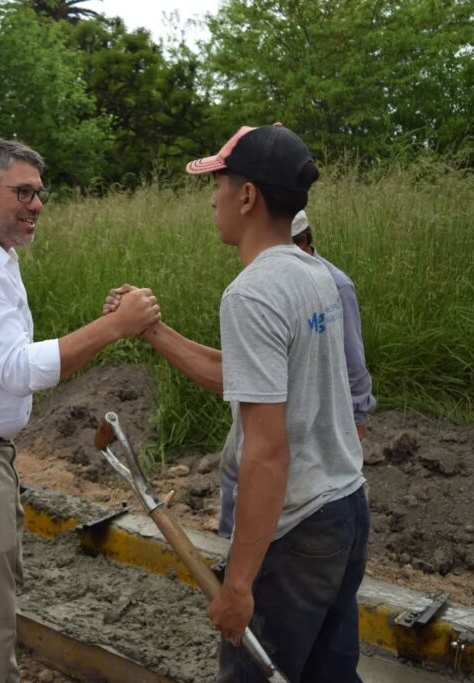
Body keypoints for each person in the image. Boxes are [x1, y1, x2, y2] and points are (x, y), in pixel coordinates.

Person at [107, 124, 369, 682]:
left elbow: (267, 453)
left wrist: (240, 585)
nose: (213, 199)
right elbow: (250, 374)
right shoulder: (315, 274)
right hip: (344, 508)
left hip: (295, 530)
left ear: (247, 196)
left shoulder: (251, 293)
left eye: (219, 185)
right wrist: (153, 331)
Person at [0, 137, 160, 683]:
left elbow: (5, 353)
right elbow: (18, 368)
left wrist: (106, 326)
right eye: (22, 192)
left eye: (39, 193)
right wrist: (113, 327)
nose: (36, 204)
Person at [291, 210, 376, 441]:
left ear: (302, 242)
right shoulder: (280, 285)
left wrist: (357, 416)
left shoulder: (337, 286)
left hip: (330, 411)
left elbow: (353, 355)